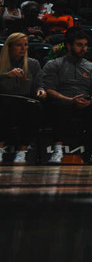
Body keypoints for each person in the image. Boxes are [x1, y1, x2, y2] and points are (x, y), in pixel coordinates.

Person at [41, 28, 92, 165]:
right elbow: (49, 89)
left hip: (85, 102)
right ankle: (57, 151)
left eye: (85, 45)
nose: (83, 48)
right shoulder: (54, 64)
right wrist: (70, 100)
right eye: (79, 45)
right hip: (63, 100)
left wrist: (91, 100)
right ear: (68, 45)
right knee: (58, 107)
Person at [0, 31, 45, 164]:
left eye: (25, 45)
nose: (23, 48)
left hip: (23, 101)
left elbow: (39, 83)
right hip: (3, 99)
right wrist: (6, 76)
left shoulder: (33, 64)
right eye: (19, 45)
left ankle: (22, 151)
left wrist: (41, 90)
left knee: (35, 108)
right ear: (9, 47)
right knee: (5, 107)